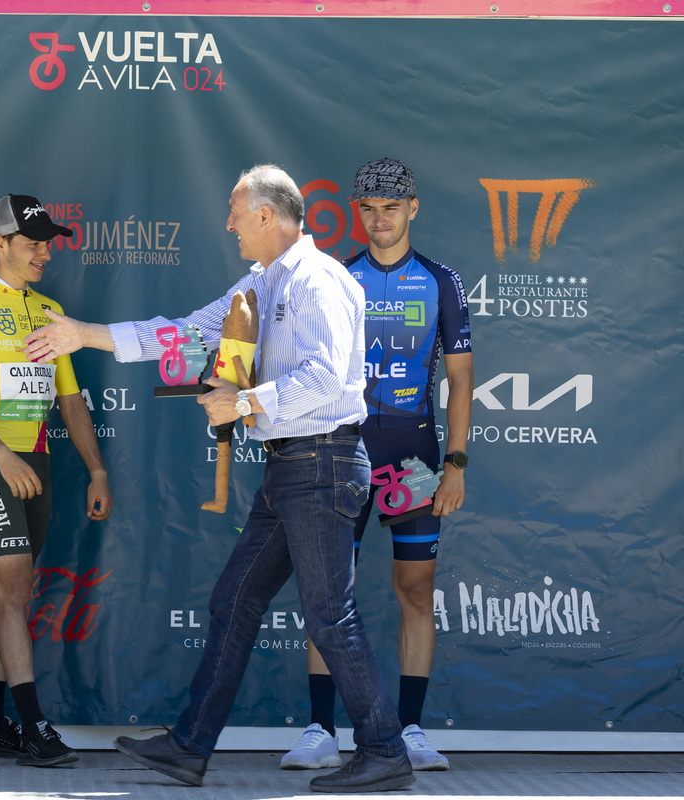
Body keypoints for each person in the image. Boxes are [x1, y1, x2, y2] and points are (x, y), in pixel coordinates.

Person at [22, 165, 414, 793]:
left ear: (267, 216)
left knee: (329, 618)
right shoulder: (259, 282)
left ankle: (385, 750)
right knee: (234, 600)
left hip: (323, 464)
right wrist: (82, 337)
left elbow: (329, 381)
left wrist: (245, 403)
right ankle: (188, 747)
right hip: (290, 468)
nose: (228, 223)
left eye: (236, 212)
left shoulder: (321, 280)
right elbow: (183, 332)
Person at [280, 158, 473, 773]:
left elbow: (462, 383)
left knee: (415, 588)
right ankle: (320, 729)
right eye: (367, 208)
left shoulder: (441, 281)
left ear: (412, 208)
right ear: (355, 211)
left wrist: (457, 464)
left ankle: (411, 729)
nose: (379, 219)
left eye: (390, 207)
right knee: (328, 592)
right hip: (343, 451)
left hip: (414, 455)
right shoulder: (337, 277)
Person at [0, 194, 112, 768]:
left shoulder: (50, 309)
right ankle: (34, 726)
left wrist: (95, 469)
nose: (44, 252)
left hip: (35, 462)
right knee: (16, 587)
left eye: (47, 242)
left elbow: (70, 401)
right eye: (32, 242)